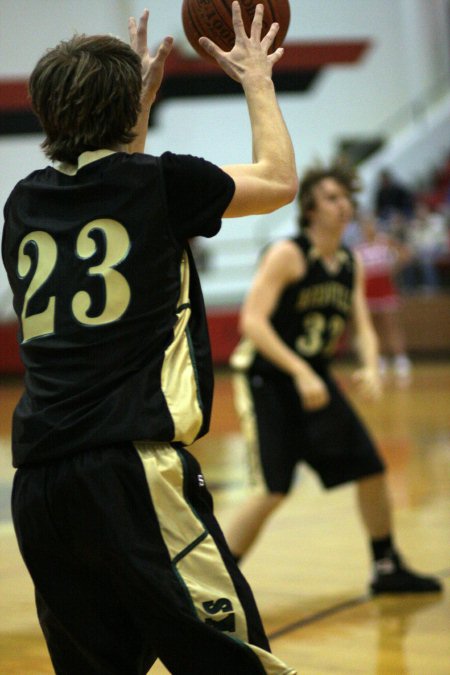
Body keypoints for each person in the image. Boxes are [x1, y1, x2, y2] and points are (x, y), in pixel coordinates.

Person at [1, 4, 298, 674]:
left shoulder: (21, 204)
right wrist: (257, 78)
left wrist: (124, 107)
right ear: (129, 110)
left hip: (42, 488)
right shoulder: (160, 181)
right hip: (130, 472)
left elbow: (110, 184)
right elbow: (279, 180)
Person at [227, 160, 442, 596]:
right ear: (309, 208)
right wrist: (301, 370)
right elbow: (252, 323)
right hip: (268, 380)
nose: (343, 204)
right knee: (272, 490)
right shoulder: (288, 254)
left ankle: (386, 566)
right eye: (331, 197)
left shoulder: (349, 261)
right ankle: (209, 586)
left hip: (317, 377)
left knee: (372, 469)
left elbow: (361, 324)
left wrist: (370, 363)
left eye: (346, 197)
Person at [355, 212, 412, 385]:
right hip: (368, 292)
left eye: (371, 225)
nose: (368, 229)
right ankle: (378, 360)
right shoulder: (359, 249)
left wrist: (393, 269)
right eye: (365, 227)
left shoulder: (384, 243)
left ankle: (401, 359)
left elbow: (405, 253)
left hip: (385, 289)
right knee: (372, 327)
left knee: (391, 325)